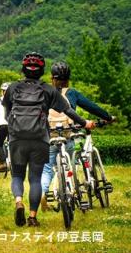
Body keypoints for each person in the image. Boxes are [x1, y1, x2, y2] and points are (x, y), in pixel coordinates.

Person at [2, 52, 95, 228]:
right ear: (42, 70)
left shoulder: (13, 88)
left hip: (17, 139)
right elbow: (68, 110)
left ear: (23, 69)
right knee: (35, 179)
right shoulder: (48, 89)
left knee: (17, 175)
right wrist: (85, 123)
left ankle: (19, 201)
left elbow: (7, 113)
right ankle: (32, 217)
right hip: (40, 138)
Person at [40, 61, 114, 211]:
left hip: (49, 136)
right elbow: (91, 106)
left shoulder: (45, 92)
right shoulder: (72, 93)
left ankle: (42, 193)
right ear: (68, 78)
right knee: (71, 164)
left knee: (47, 169)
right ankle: (72, 189)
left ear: (51, 78)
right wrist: (107, 117)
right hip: (67, 135)